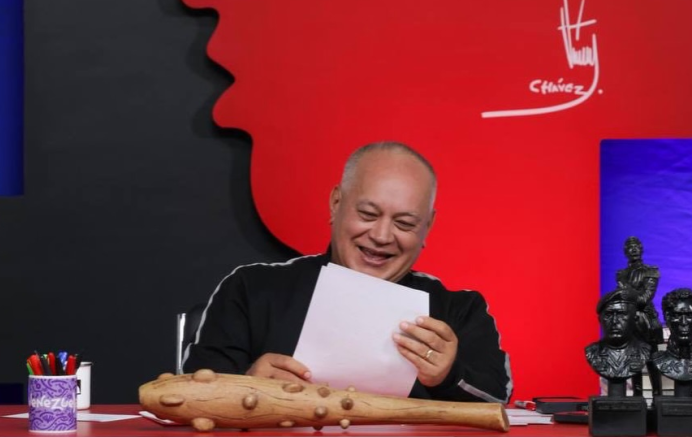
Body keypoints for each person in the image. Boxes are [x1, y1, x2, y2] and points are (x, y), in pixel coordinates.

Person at [183, 141, 512, 402]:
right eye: (367, 214)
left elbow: (499, 399)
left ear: (428, 227)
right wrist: (246, 385)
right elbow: (189, 395)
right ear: (335, 203)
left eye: (404, 223)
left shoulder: (460, 310)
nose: (381, 236)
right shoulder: (251, 289)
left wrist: (448, 375)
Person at [616, 236, 663, 395]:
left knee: (651, 360)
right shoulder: (621, 274)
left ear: (641, 249)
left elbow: (644, 298)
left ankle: (657, 395)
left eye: (637, 246)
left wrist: (626, 291)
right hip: (629, 319)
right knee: (634, 359)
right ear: (625, 251)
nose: (634, 249)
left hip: (646, 320)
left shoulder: (651, 271)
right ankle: (637, 396)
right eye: (630, 247)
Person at [585, 289, 651, 381]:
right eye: (608, 315)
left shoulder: (644, 351)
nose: (614, 321)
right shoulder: (592, 352)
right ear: (600, 320)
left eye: (621, 314)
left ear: (635, 319)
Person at [649, 288, 692, 382]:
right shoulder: (658, 359)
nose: (683, 322)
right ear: (667, 317)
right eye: (677, 315)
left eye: (690, 316)